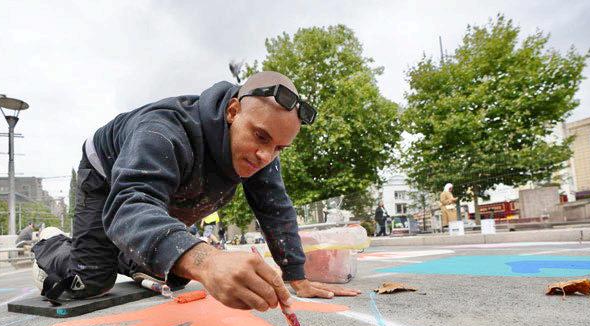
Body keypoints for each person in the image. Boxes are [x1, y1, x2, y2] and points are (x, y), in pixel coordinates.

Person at [32, 71, 360, 310]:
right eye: (260, 137)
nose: (265, 156)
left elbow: (275, 208)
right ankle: (52, 244)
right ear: (233, 111)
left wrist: (296, 275)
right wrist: (208, 260)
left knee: (173, 273)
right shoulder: (164, 130)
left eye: (279, 148)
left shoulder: (262, 152)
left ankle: (121, 252)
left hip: (157, 187)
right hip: (106, 175)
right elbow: (130, 205)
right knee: (91, 282)